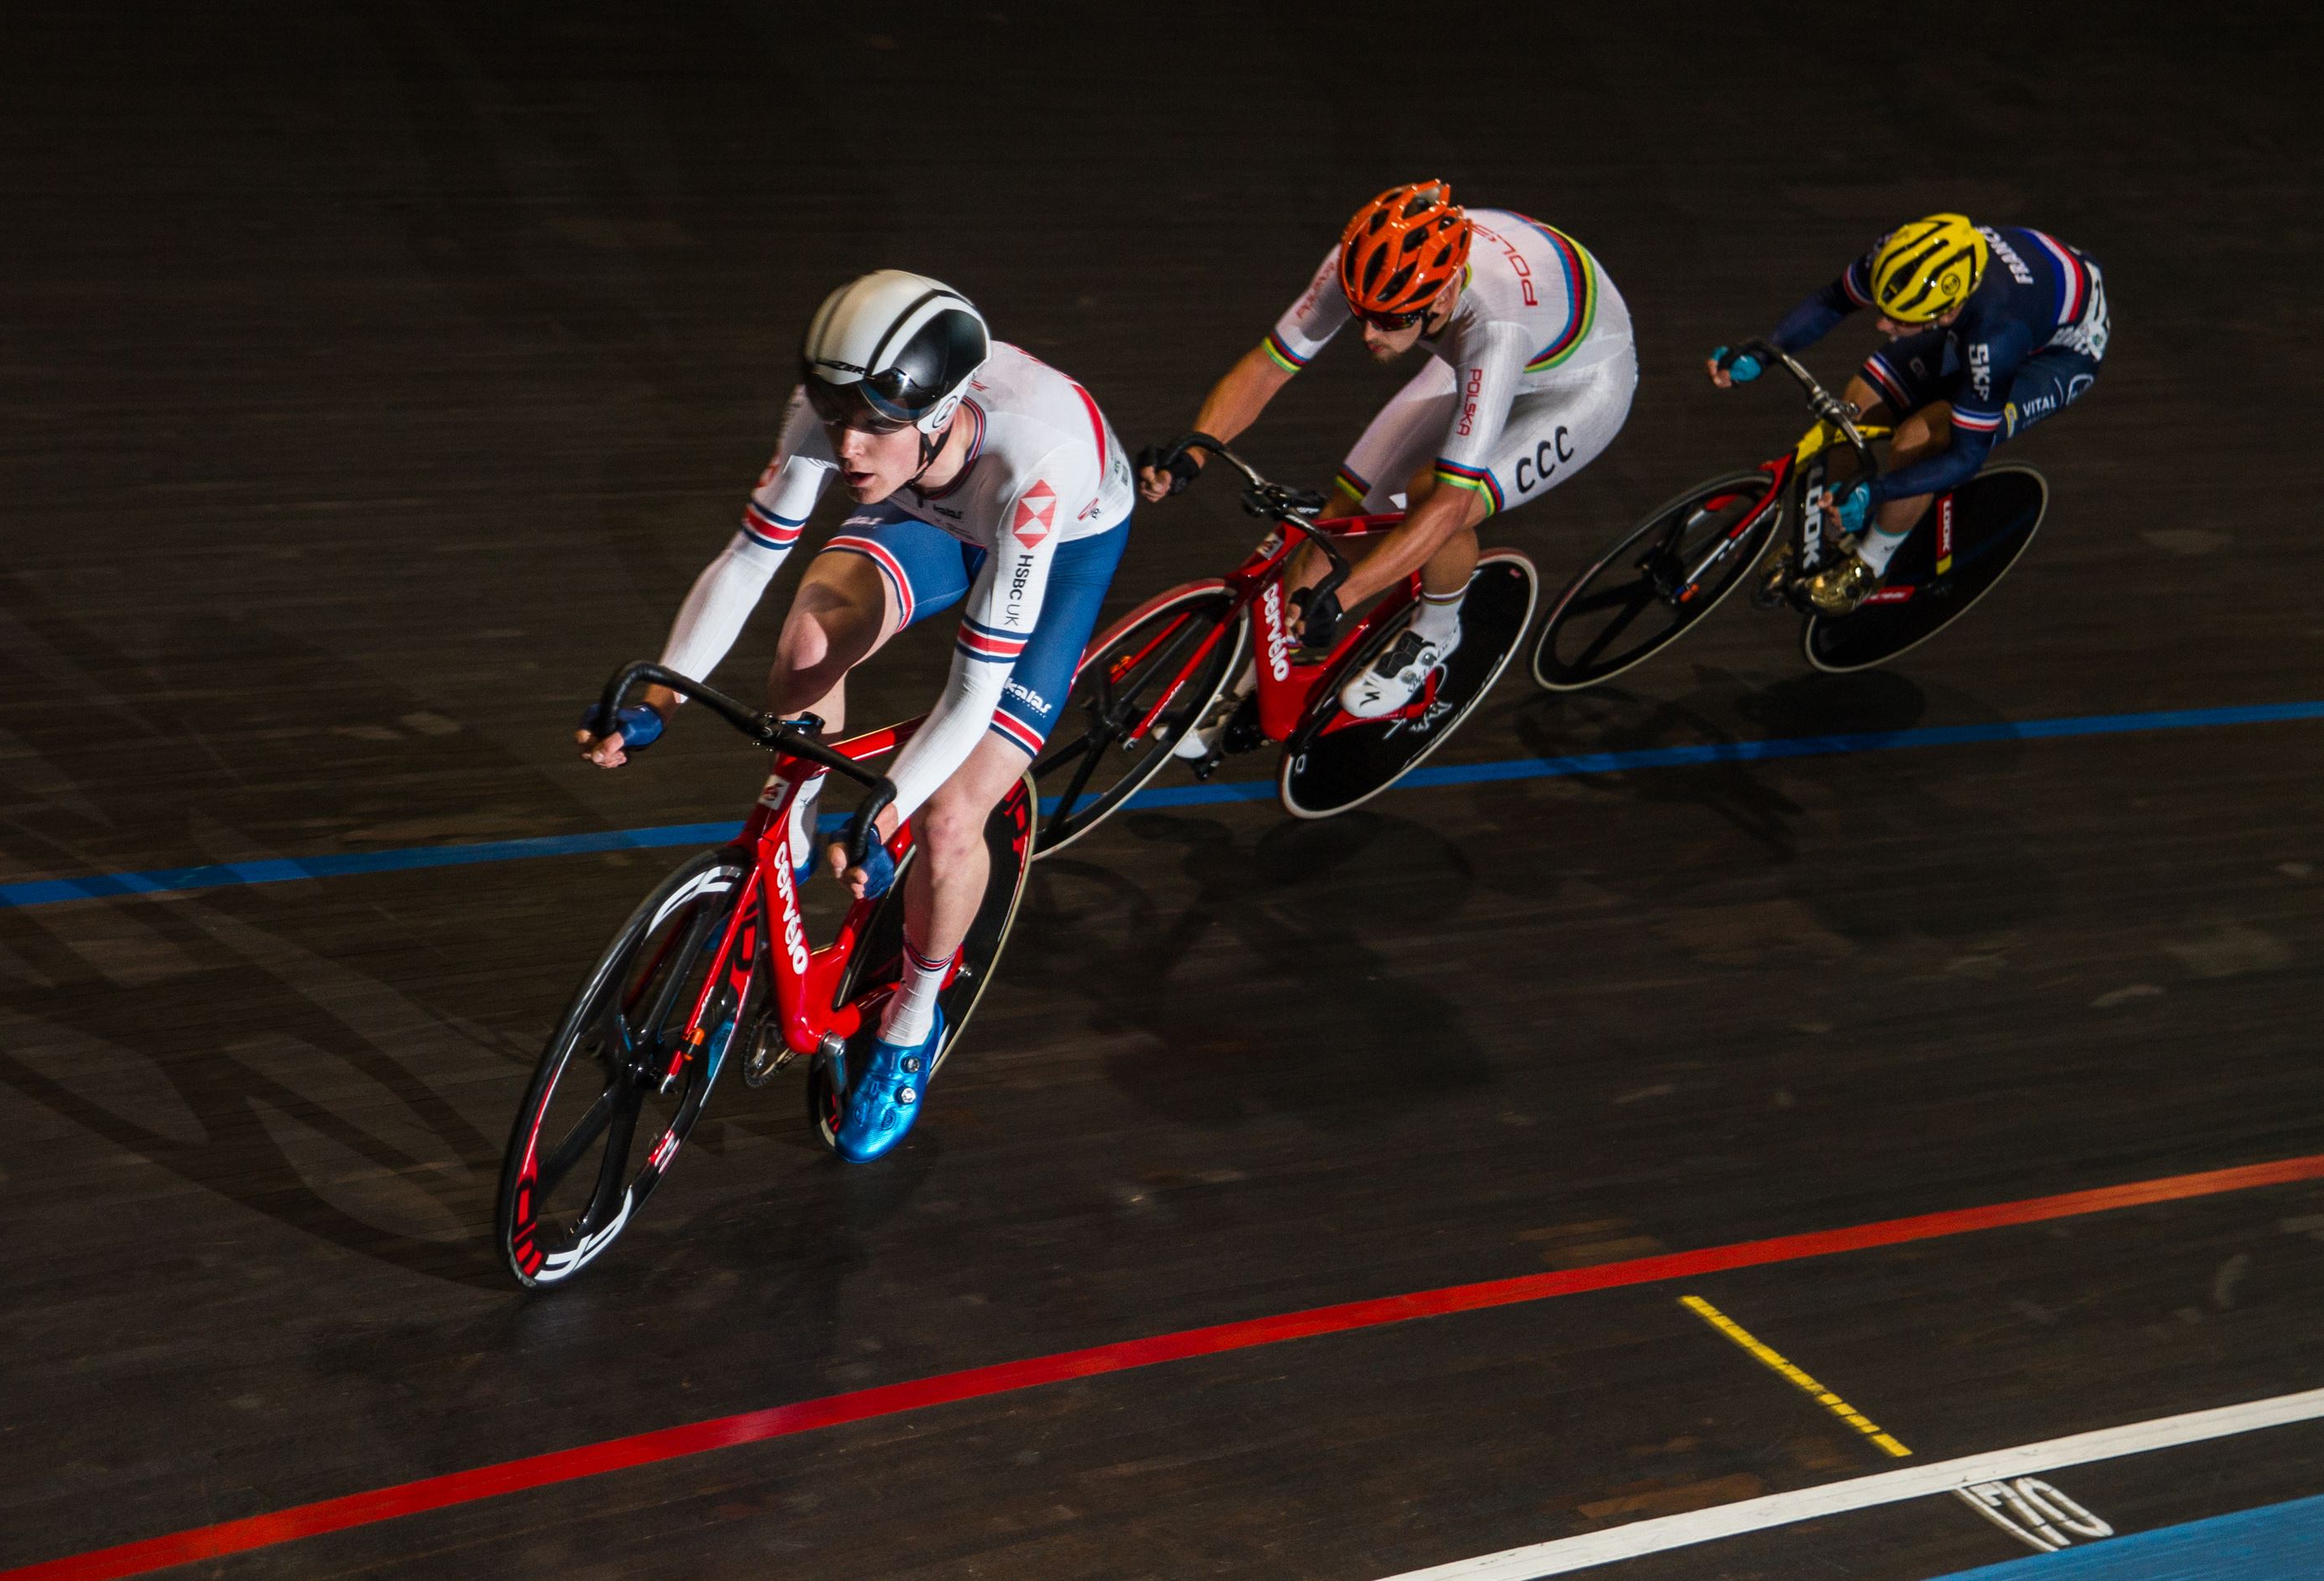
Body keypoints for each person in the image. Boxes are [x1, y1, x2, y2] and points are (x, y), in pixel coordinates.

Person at [577, 270, 1133, 1161]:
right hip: (934, 501)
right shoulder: (842, 408)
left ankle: (911, 1025)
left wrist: (891, 805)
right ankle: (788, 842)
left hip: (1054, 540)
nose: (847, 449)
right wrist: (660, 696)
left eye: (875, 425)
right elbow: (750, 559)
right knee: (806, 640)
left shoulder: (1038, 472)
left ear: (940, 411)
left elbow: (970, 693)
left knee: (951, 819)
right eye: (838, 420)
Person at [1137, 180, 1636, 718]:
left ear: (1442, 296)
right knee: (1341, 518)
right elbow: (1268, 366)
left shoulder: (1493, 329)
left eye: (1392, 320)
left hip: (1579, 385)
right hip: (1483, 350)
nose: (1369, 334)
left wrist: (1344, 599)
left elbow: (1446, 506)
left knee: (1433, 496)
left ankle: (1436, 631)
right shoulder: (1363, 268)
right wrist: (1195, 451)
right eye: (1361, 315)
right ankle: (1249, 696)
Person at [1710, 213, 2108, 613]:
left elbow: (1966, 457)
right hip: (2013, 296)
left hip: (2058, 355)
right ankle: (1827, 541)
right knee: (1856, 405)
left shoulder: (1996, 337)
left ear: (1946, 314)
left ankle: (1869, 566)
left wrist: (1876, 491)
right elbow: (1834, 299)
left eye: (1898, 318)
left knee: (1921, 437)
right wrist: (1764, 353)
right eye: (1883, 307)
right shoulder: (1901, 254)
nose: (1882, 324)